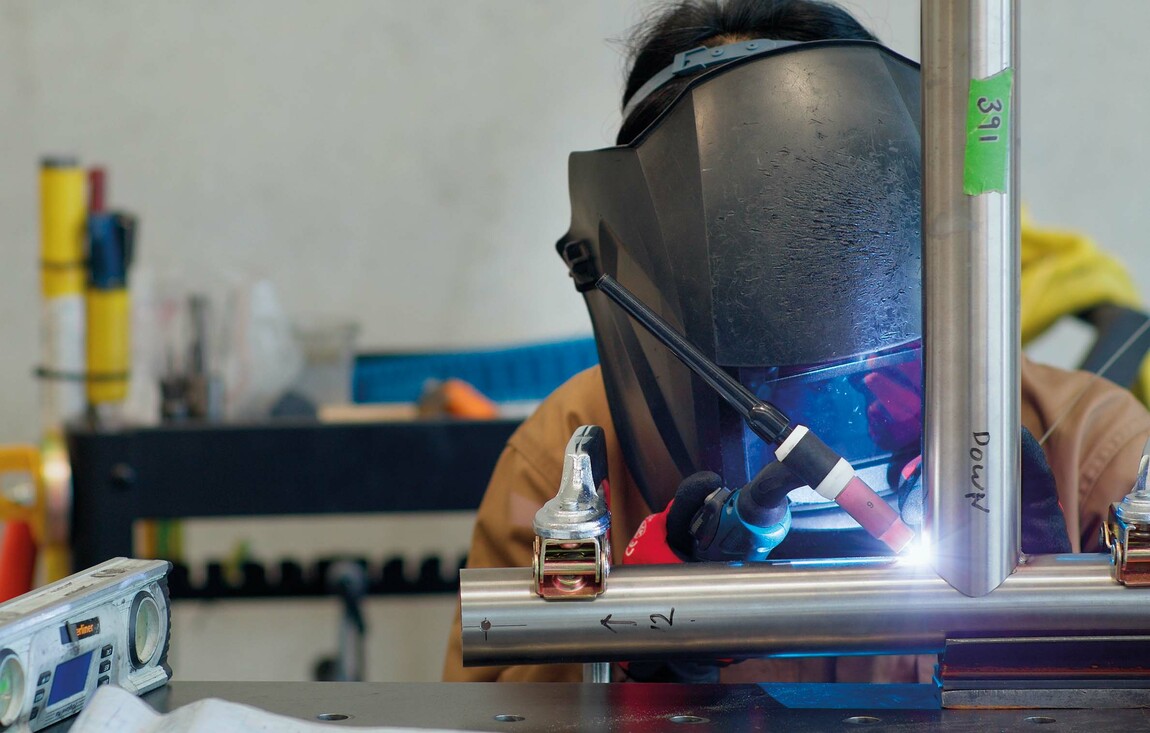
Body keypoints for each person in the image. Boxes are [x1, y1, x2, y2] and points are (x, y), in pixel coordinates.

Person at [443, 0, 1150, 684]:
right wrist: (631, 672)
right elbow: (495, 701)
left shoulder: (1096, 452)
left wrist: (1068, 655)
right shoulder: (569, 457)